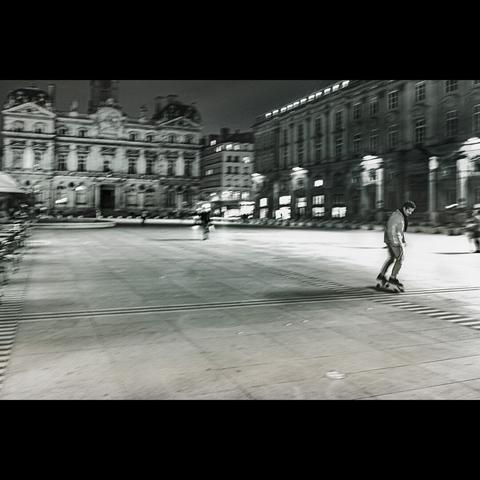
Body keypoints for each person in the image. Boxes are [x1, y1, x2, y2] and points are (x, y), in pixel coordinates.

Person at [376, 200, 416, 290]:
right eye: (409, 211)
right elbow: (391, 230)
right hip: (393, 241)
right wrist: (396, 243)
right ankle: (393, 278)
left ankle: (381, 275)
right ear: (404, 208)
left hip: (391, 240)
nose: (410, 213)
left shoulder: (400, 215)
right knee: (400, 258)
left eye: (411, 212)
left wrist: (403, 239)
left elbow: (399, 230)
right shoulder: (397, 217)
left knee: (391, 258)